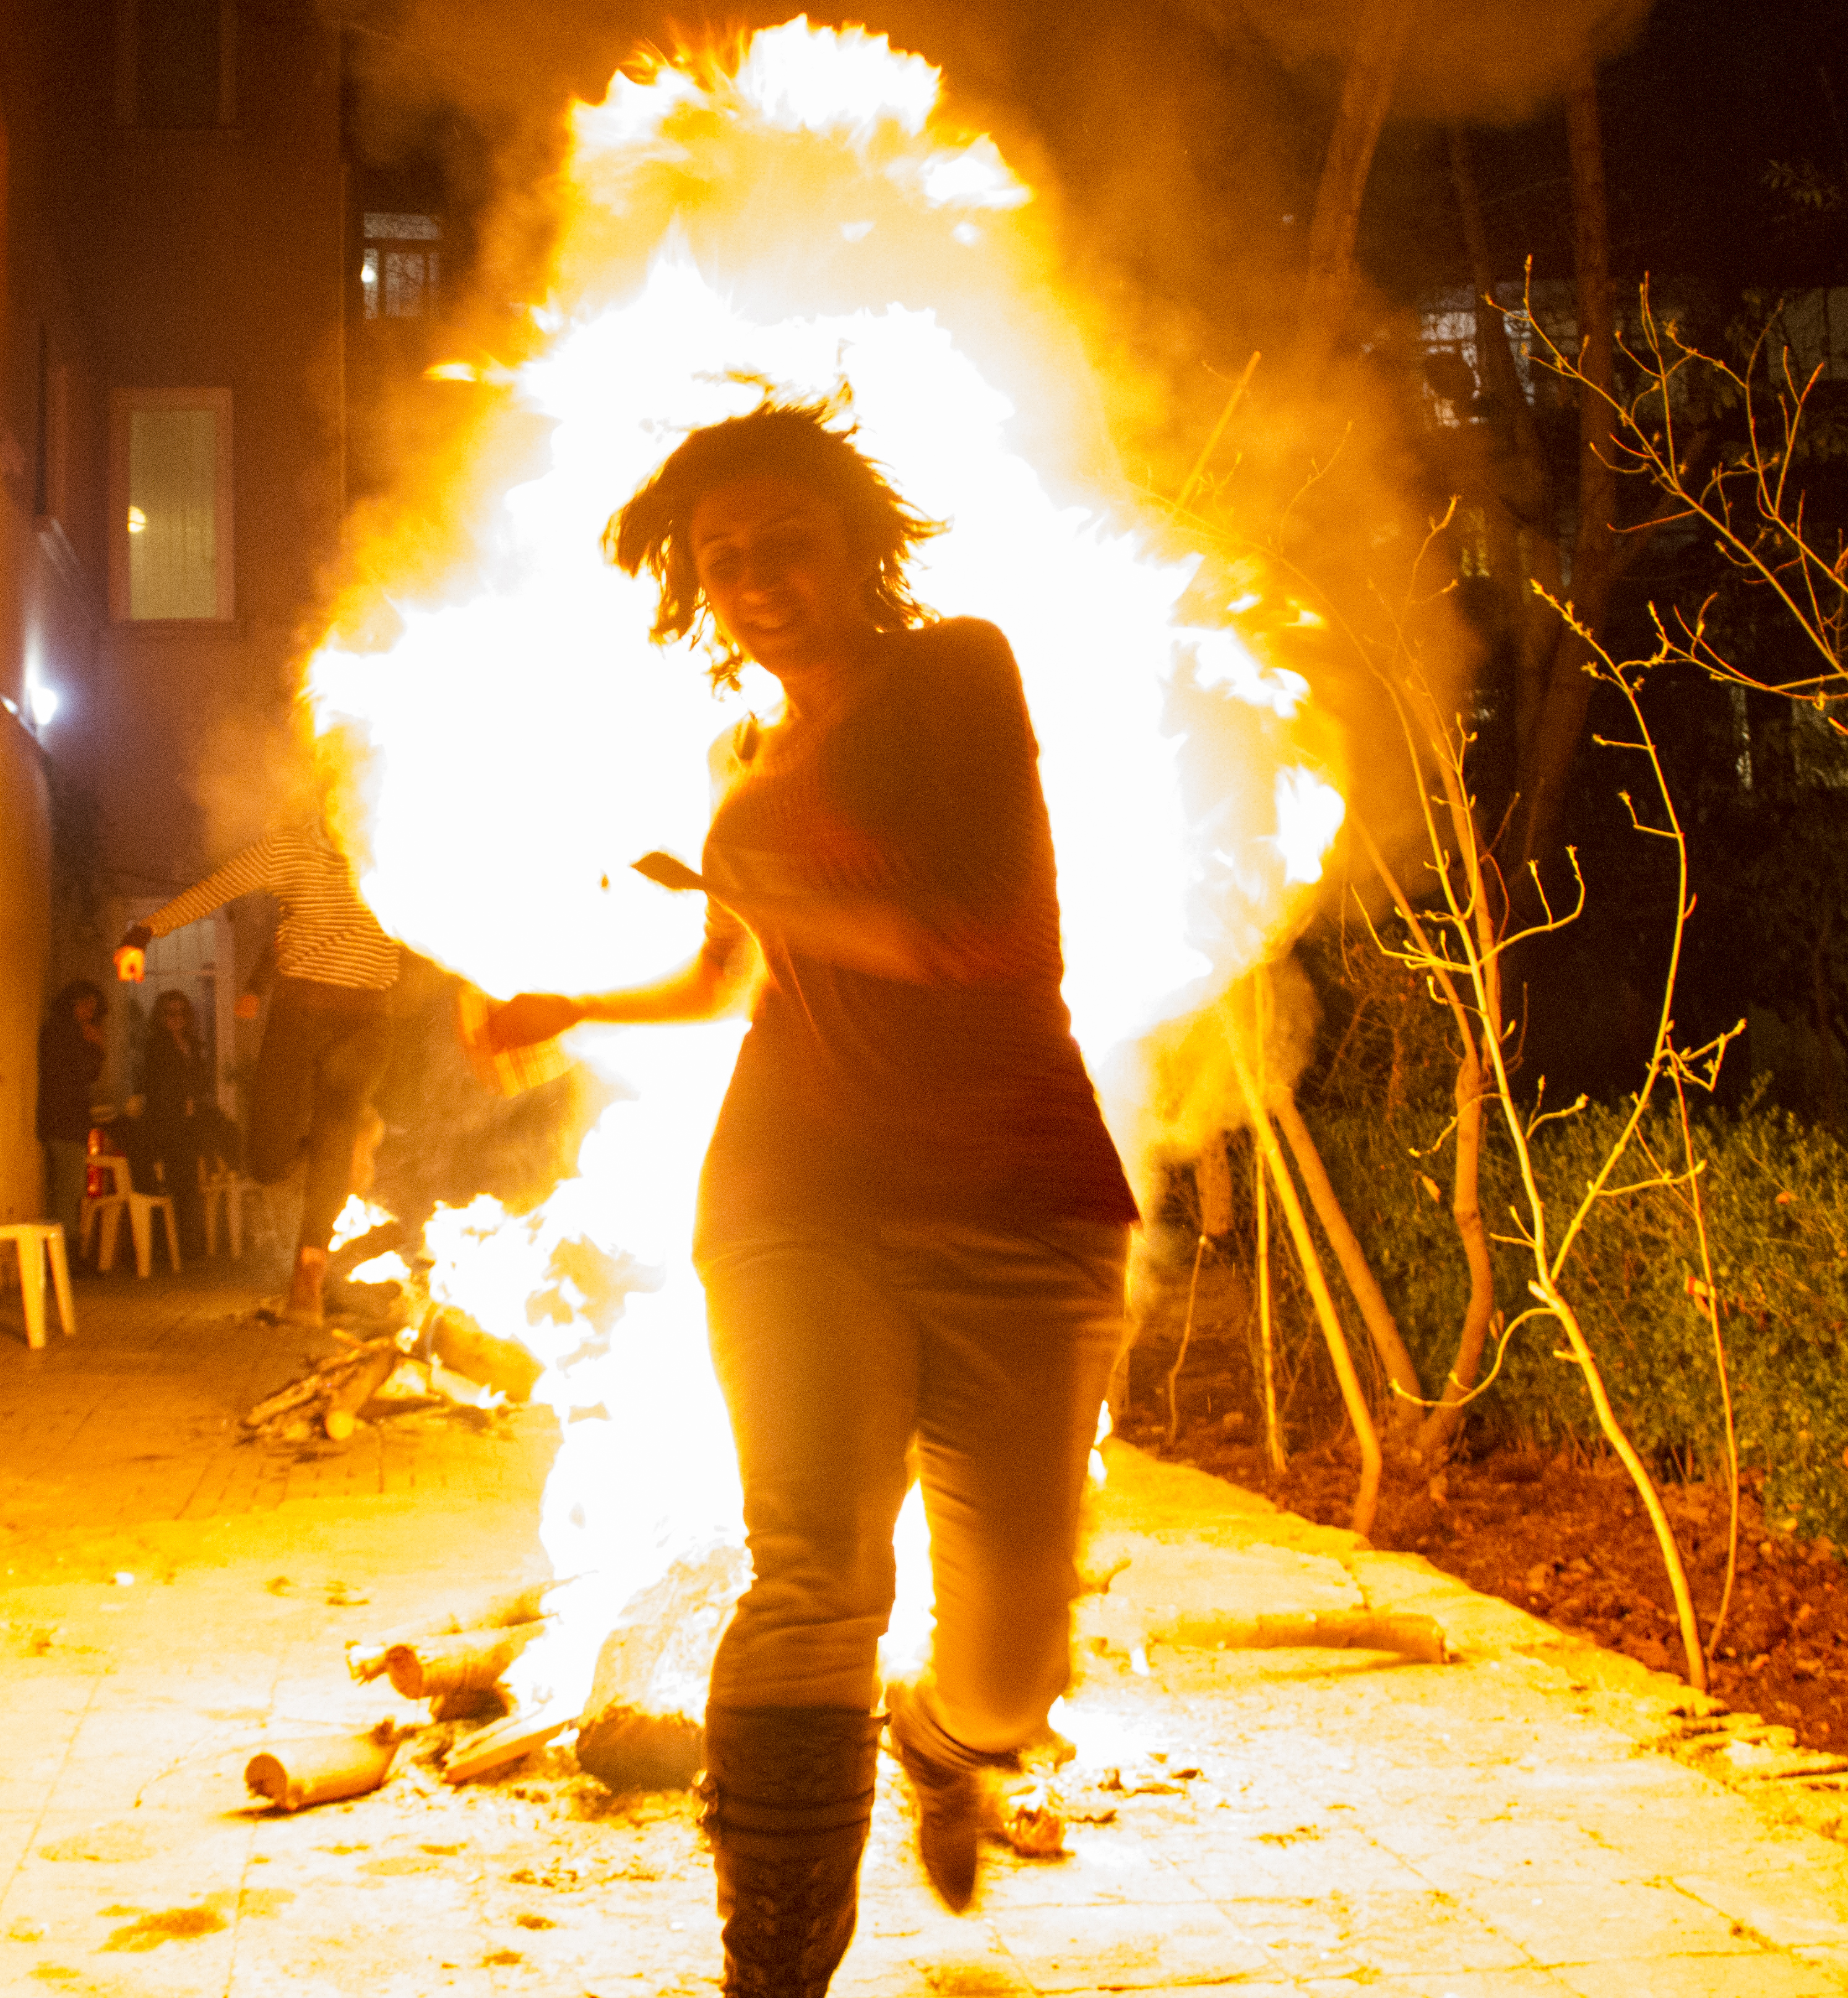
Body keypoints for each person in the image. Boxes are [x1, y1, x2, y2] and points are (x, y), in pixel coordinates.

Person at [477, 399, 1136, 1996]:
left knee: (1010, 1655)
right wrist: (568, 1004)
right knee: (813, 1572)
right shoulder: (740, 758)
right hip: (795, 1195)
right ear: (694, 588)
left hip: (1017, 1192)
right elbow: (731, 980)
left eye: (785, 542)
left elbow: (978, 935)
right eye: (723, 560)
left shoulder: (955, 674)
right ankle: (770, 1972)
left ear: (856, 549)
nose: (756, 577)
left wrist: (755, 884)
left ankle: (940, 1738)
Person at [116, 808, 399, 1320]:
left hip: (369, 1016)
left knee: (336, 1131)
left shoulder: (397, 850)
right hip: (300, 1012)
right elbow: (216, 888)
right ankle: (336, 1137)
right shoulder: (289, 849)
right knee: (267, 1160)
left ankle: (307, 1283)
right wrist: (144, 932)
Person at [127, 987, 218, 1214]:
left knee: (195, 1180)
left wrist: (193, 1102)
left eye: (182, 1013)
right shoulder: (156, 1046)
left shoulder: (193, 1045)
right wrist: (180, 1104)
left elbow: (201, 1081)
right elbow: (158, 1086)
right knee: (181, 1183)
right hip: (168, 1124)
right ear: (161, 1016)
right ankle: (181, 1239)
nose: (177, 1019)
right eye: (171, 1013)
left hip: (190, 1123)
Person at [37, 979, 106, 1245]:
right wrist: (95, 1047)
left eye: (93, 1005)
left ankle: (65, 1249)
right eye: (83, 1004)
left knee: (70, 1188)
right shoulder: (61, 1033)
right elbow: (79, 1073)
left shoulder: (67, 1031)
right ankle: (66, 1251)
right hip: (63, 1119)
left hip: (68, 1120)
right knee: (69, 1189)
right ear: (71, 1005)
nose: (89, 1010)